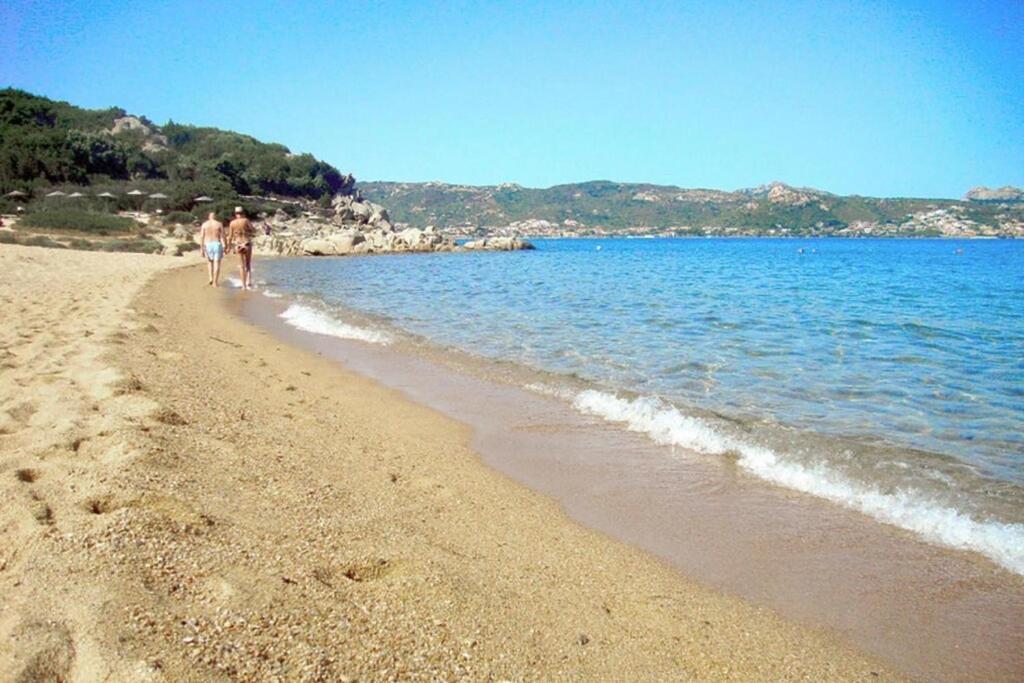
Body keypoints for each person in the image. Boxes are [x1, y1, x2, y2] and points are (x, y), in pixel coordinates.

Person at [227, 206, 256, 289]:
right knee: (248, 264)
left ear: (235, 214)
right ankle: (249, 282)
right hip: (246, 243)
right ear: (243, 213)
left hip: (238, 244)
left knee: (241, 265)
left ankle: (243, 286)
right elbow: (253, 230)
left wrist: (228, 247)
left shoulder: (232, 223)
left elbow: (230, 236)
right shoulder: (245, 220)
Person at [198, 212, 225, 286]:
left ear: (209, 217)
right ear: (215, 217)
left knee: (209, 262)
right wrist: (224, 245)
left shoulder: (204, 224)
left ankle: (211, 279)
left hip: (208, 244)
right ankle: (215, 282)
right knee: (217, 263)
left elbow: (202, 236)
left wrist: (201, 248)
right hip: (217, 243)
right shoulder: (219, 224)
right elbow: (222, 236)